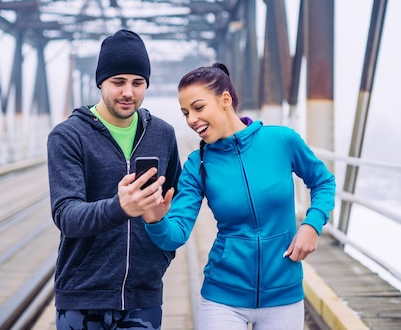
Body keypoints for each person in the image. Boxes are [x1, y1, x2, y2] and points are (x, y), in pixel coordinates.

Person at [143, 62, 336, 330]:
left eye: (198, 108)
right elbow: (176, 234)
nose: (191, 120)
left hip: (283, 295)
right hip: (223, 298)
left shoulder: (282, 140)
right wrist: (155, 220)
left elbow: (323, 181)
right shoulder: (197, 164)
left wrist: (312, 225)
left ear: (225, 100)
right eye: (186, 113)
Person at [47, 29, 182, 330]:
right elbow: (66, 214)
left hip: (143, 297)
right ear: (100, 83)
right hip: (82, 297)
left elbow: (179, 202)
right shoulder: (68, 136)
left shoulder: (162, 134)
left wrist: (162, 251)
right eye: (117, 82)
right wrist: (119, 207)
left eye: (138, 83)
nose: (128, 92)